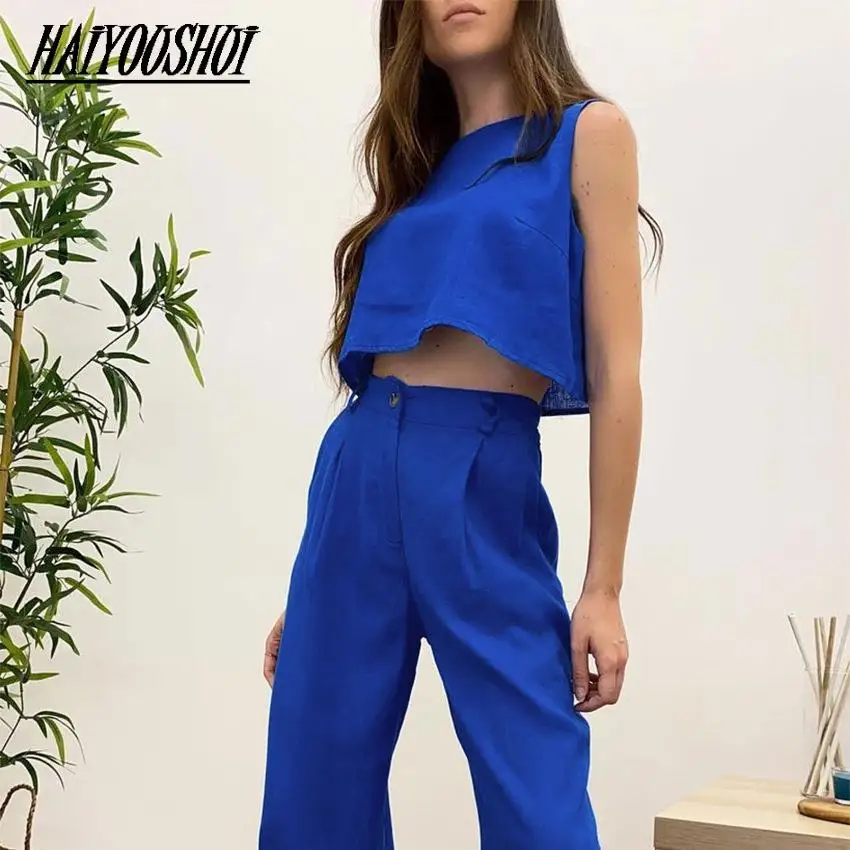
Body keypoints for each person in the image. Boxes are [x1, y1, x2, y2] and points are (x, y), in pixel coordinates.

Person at [259, 1, 661, 848]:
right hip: (357, 470)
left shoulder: (587, 135)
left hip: (477, 470)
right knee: (313, 786)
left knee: (535, 789)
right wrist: (314, 585)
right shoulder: (419, 167)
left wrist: (604, 587)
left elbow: (618, 371)